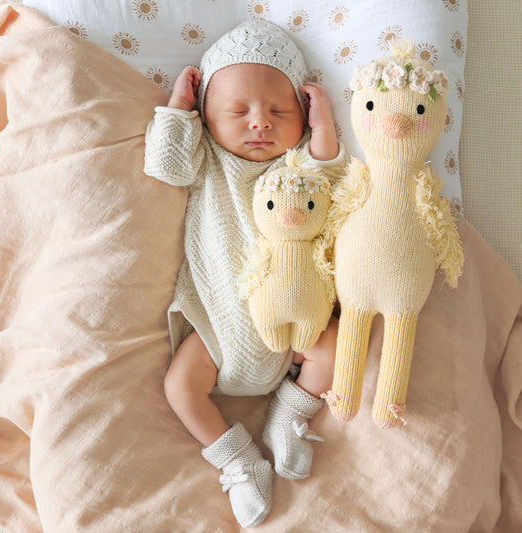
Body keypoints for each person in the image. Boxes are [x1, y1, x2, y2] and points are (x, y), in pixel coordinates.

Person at [144, 19, 346, 528]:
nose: (260, 123)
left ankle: (290, 414)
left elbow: (331, 177)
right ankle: (236, 459)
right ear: (209, 118)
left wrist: (323, 125)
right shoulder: (208, 159)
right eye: (237, 111)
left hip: (291, 328)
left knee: (336, 342)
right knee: (180, 388)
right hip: (215, 322)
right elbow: (165, 165)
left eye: (279, 112)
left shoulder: (294, 167)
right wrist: (177, 108)